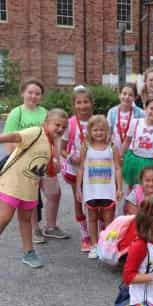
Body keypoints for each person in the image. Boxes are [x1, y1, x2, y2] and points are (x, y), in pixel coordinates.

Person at [0, 109, 68, 268]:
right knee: (4, 218)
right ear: (46, 124)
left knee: (25, 220)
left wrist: (55, 167)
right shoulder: (37, 132)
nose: (60, 129)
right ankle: (29, 253)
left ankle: (29, 253)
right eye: (57, 125)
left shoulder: (53, 144)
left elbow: (48, 169)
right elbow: (16, 136)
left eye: (63, 127)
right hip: (12, 182)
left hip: (30, 188)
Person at [4, 78, 68, 242]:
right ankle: (35, 230)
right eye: (30, 92)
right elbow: (11, 139)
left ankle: (51, 226)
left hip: (44, 161)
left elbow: (54, 137)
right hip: (24, 163)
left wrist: (56, 159)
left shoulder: (45, 113)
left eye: (37, 93)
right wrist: (18, 161)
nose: (33, 96)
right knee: (31, 196)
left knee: (54, 194)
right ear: (23, 93)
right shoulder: (16, 113)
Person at [76, 115, 123, 259]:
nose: (99, 133)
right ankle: (94, 245)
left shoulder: (112, 147)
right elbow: (81, 169)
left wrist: (119, 187)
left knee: (108, 219)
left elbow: (117, 168)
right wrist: (79, 188)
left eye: (102, 130)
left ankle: (106, 246)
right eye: (95, 130)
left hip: (107, 191)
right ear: (90, 131)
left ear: (107, 131)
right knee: (92, 218)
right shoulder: (86, 147)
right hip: (91, 191)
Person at [60, 86, 95, 251]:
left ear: (91, 103)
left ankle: (98, 232)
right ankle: (84, 234)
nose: (83, 106)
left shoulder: (97, 121)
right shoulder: (70, 123)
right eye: (79, 102)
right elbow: (61, 148)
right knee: (78, 199)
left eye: (86, 102)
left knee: (96, 200)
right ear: (74, 105)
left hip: (95, 169)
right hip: (76, 169)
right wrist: (70, 157)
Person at [121, 95, 153, 191]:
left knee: (150, 191)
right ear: (145, 107)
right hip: (134, 160)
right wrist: (121, 157)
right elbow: (127, 141)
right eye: (151, 108)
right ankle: (131, 205)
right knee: (133, 190)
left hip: (152, 163)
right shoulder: (135, 122)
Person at [107, 83, 144, 152]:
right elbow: (109, 132)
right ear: (119, 95)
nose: (127, 97)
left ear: (135, 98)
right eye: (124, 94)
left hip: (132, 151)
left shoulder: (140, 113)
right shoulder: (112, 112)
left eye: (130, 95)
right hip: (114, 150)